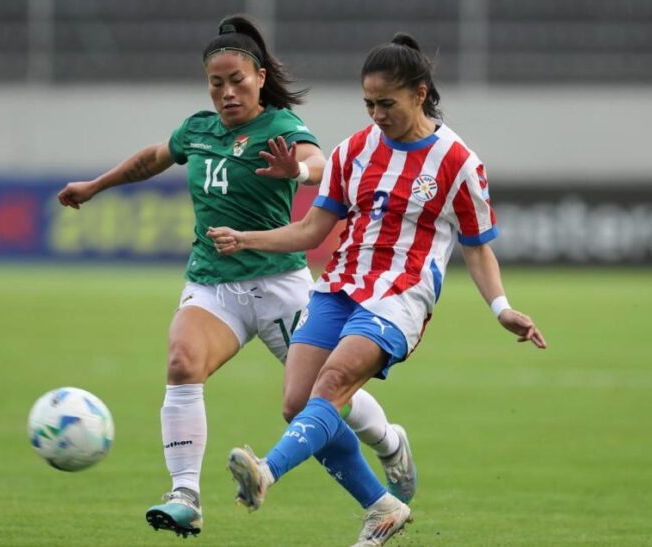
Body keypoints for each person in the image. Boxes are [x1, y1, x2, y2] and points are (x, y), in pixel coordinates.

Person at [57, 15, 416, 539]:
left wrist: (298, 171)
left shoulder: (280, 129)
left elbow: (318, 161)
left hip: (280, 287)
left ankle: (387, 441)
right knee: (182, 362)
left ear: (260, 78)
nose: (227, 93)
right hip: (213, 283)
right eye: (216, 83)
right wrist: (96, 185)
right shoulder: (198, 130)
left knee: (321, 398)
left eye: (237, 81)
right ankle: (185, 496)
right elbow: (154, 158)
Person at [208, 32, 547, 546]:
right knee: (298, 403)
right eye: (368, 104)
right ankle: (382, 506)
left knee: (333, 383)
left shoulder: (458, 164)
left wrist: (501, 307)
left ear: (419, 92)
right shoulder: (352, 152)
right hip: (339, 286)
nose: (376, 114)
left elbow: (477, 247)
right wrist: (247, 238)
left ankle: (266, 472)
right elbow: (312, 231)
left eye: (386, 103)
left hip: (402, 296)